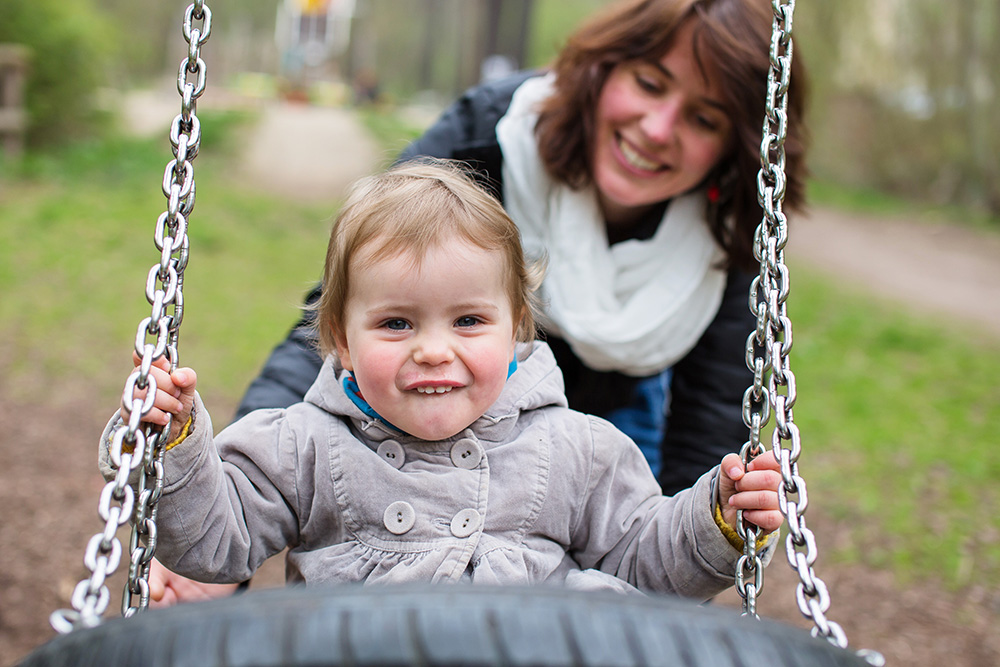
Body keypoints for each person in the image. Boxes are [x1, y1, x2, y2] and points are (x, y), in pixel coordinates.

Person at [148, 0, 807, 604]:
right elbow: (350, 305)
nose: (658, 128)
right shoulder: (489, 137)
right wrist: (201, 509)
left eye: (704, 118)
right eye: (650, 83)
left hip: (580, 427)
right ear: (604, 70)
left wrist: (713, 516)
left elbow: (681, 484)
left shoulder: (592, 448)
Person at [101, 161, 782, 599]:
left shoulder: (578, 449)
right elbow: (209, 542)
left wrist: (716, 517)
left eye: (467, 321)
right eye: (397, 323)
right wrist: (175, 441)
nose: (433, 350)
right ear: (341, 335)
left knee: (602, 602)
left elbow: (647, 564)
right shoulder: (302, 445)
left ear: (517, 327)